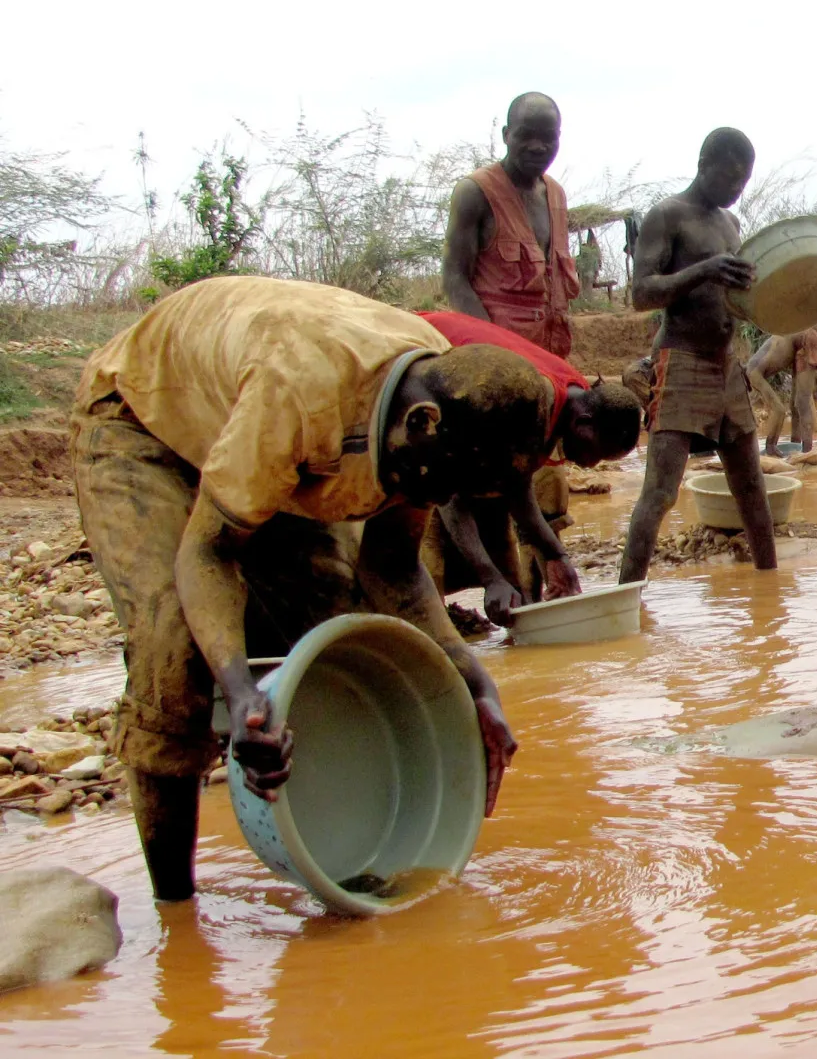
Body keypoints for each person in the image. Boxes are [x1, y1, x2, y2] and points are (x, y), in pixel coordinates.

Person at [72, 276, 553, 902]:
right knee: (173, 638)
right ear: (421, 424)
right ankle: (176, 911)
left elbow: (393, 566)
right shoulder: (300, 394)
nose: (436, 502)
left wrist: (474, 680)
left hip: (256, 431)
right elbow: (210, 553)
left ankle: (335, 862)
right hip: (145, 420)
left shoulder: (434, 408)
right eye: (444, 486)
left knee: (330, 635)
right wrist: (243, 694)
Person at [618, 128, 776, 583]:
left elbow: (738, 301)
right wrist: (702, 270)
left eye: (743, 182)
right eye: (729, 179)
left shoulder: (731, 226)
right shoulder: (668, 216)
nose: (736, 190)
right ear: (704, 164)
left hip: (727, 365)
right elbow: (642, 293)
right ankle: (627, 598)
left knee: (751, 486)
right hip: (681, 361)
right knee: (661, 492)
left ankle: (772, 592)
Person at [416, 311, 642, 623]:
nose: (589, 464)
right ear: (584, 423)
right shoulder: (521, 400)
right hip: (413, 355)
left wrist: (556, 556)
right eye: (594, 453)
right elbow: (452, 494)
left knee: (506, 570)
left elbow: (516, 485)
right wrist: (489, 577)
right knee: (422, 534)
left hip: (459, 389)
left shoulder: (573, 394)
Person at [443, 91, 580, 357]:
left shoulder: (556, 195)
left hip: (552, 355)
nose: (538, 146)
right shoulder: (475, 191)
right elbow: (454, 278)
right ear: (506, 135)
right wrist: (491, 350)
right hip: (498, 357)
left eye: (548, 137)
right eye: (526, 135)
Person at [746, 327, 817, 455]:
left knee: (795, 405)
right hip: (802, 338)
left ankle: (801, 450)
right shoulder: (753, 370)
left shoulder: (752, 373)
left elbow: (778, 411)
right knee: (794, 406)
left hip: (805, 339)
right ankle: (793, 447)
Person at [576, 228, 602, 301]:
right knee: (587, 291)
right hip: (588, 277)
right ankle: (588, 301)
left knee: (585, 290)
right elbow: (597, 269)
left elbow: (576, 269)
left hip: (586, 278)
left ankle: (586, 301)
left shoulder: (581, 258)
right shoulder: (590, 258)